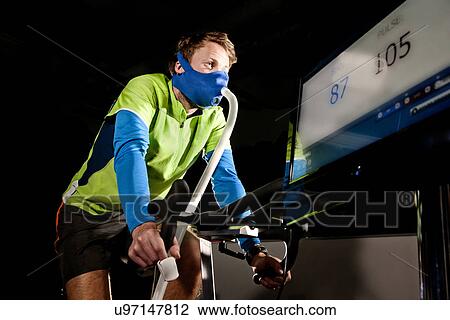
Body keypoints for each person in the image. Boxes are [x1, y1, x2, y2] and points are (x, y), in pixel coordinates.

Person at [55, 31, 291, 300]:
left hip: (147, 211)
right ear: (180, 66)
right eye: (210, 64)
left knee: (192, 251)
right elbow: (130, 150)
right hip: (89, 211)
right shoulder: (145, 89)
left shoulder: (215, 118)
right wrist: (141, 225)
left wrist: (254, 250)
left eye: (225, 70)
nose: (220, 77)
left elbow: (226, 179)